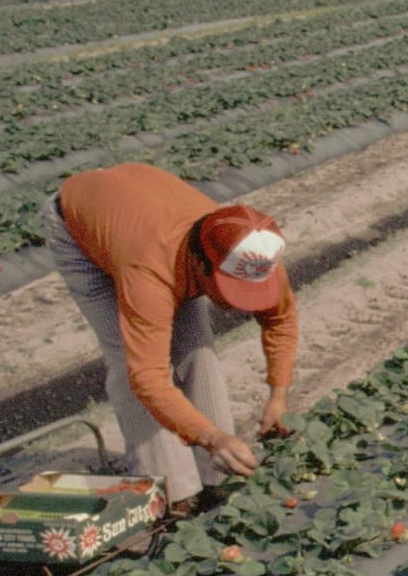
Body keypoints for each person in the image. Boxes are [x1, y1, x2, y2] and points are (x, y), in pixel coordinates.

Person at [43, 162, 298, 509]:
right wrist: (210, 436)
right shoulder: (149, 272)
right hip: (82, 226)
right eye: (231, 289)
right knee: (131, 360)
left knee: (197, 351)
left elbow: (280, 319)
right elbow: (147, 377)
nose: (239, 301)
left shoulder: (253, 248)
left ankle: (219, 475)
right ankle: (172, 492)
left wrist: (278, 396)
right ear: (202, 266)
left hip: (143, 210)